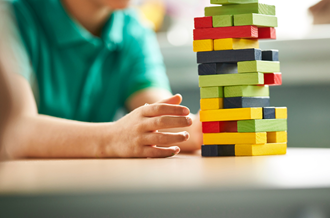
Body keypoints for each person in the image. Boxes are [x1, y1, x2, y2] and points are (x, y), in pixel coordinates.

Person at [1, 0, 202, 159]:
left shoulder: (132, 29)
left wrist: (199, 129)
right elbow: (15, 131)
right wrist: (114, 138)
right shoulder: (11, 17)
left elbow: (159, 114)